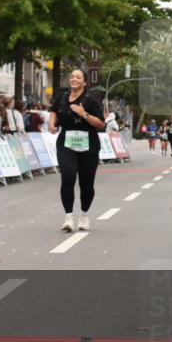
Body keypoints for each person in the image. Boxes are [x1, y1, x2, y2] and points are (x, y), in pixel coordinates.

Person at [48, 69, 105, 232]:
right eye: (72, 77)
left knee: (86, 184)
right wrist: (51, 124)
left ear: (84, 82)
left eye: (78, 77)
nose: (74, 79)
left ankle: (84, 215)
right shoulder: (62, 96)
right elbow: (53, 111)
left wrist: (84, 114)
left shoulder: (91, 100)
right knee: (68, 177)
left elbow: (101, 124)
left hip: (89, 145)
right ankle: (68, 217)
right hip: (66, 143)